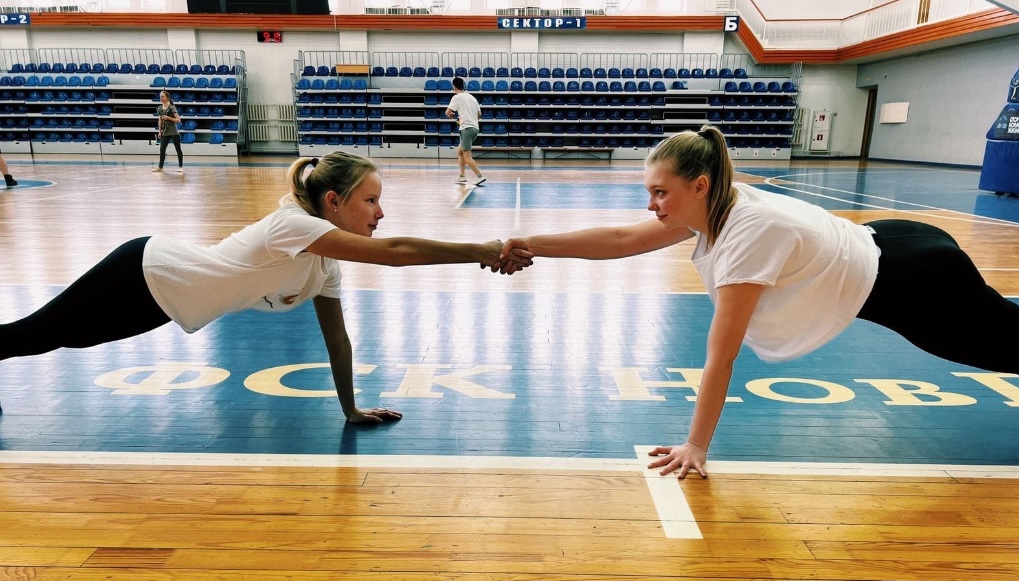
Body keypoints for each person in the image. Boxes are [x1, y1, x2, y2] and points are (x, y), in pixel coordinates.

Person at [494, 124, 1019, 479]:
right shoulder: (712, 203)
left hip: (915, 279)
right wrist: (533, 243)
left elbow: (722, 355)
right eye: (649, 191)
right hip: (894, 249)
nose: (649, 203)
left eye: (659, 192)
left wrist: (695, 445)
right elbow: (620, 240)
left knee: (1005, 351)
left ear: (699, 186)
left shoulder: (747, 236)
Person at [1, 151, 531, 418]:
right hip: (141, 271)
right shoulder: (293, 226)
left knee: (51, 339)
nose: (380, 211)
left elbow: (338, 340)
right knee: (33, 336)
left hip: (165, 303)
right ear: (333, 202)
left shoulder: (325, 261)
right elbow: (392, 255)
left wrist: (351, 410)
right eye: (370, 200)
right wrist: (479, 251)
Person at [445, 77, 485, 186]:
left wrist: (452, 115)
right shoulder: (472, 98)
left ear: (454, 86)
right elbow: (479, 115)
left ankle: (480, 176)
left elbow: (448, 113)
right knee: (460, 152)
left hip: (466, 129)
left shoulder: (457, 97)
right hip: (475, 128)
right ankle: (462, 176)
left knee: (467, 156)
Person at [152, 90, 184, 174]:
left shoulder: (172, 107)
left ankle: (180, 167)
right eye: (160, 96)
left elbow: (178, 120)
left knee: (178, 149)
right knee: (162, 149)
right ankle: (160, 167)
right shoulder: (159, 108)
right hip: (165, 131)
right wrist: (159, 131)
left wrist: (168, 118)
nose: (161, 98)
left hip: (173, 131)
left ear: (167, 98)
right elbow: (160, 120)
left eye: (162, 96)